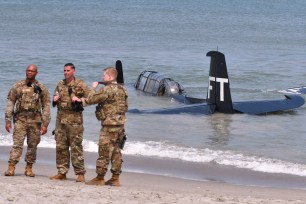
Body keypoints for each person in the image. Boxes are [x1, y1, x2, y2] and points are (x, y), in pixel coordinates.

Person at [78, 66, 128, 186]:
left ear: (110, 77)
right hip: (120, 124)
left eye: (104, 75)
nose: (102, 77)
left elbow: (90, 100)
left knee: (104, 151)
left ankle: (100, 177)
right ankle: (115, 178)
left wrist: (93, 88)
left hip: (109, 125)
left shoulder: (106, 89)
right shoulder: (123, 90)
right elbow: (125, 107)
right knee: (116, 152)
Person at [4, 64, 51, 177]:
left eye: (32, 71)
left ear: (36, 73)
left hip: (35, 121)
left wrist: (45, 124)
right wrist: (8, 120)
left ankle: (29, 168)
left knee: (33, 145)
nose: (29, 72)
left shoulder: (40, 88)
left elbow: (46, 105)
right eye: (28, 70)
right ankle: (11, 167)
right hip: (20, 119)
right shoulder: (18, 86)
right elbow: (11, 102)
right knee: (17, 144)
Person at [50, 63, 89, 182]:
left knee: (76, 147)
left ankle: (80, 173)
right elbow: (55, 97)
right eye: (64, 71)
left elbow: (89, 98)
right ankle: (62, 172)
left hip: (74, 122)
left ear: (73, 71)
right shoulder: (60, 83)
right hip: (61, 121)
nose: (65, 73)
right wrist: (54, 100)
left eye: (68, 70)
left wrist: (79, 99)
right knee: (61, 147)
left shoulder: (80, 84)